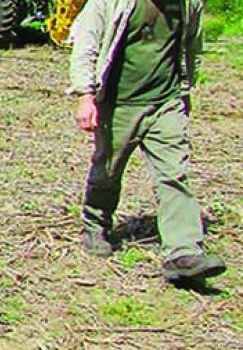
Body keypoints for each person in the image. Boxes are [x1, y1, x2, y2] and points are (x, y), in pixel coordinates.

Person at [68, 0, 225, 280]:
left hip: (165, 102)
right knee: (108, 171)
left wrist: (185, 91)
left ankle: (183, 252)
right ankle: (96, 225)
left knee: (174, 173)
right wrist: (85, 96)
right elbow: (86, 45)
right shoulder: (110, 3)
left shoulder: (189, 4)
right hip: (119, 103)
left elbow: (192, 47)